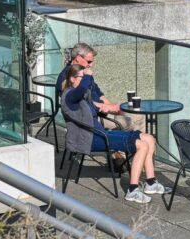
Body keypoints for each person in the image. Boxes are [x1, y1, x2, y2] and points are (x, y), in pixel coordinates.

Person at [60, 62, 170, 204]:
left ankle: (151, 182)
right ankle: (132, 190)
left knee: (149, 138)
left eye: (84, 77)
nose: (84, 80)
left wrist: (106, 108)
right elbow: (81, 90)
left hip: (100, 134)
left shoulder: (80, 96)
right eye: (80, 77)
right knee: (142, 145)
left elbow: (93, 104)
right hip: (91, 139)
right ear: (72, 79)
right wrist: (87, 75)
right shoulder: (69, 96)